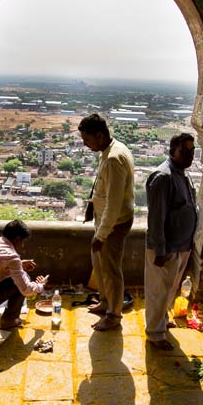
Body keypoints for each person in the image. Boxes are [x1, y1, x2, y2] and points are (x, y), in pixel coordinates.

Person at [79, 113, 135, 331]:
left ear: (100, 135)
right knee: (100, 266)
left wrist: (101, 236)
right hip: (106, 221)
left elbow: (113, 203)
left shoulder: (113, 159)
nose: (85, 145)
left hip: (113, 224)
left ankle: (114, 315)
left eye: (88, 140)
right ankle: (105, 302)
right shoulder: (111, 150)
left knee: (111, 270)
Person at [144, 133, 198, 350]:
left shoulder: (182, 174)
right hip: (165, 248)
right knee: (158, 291)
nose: (189, 155)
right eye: (185, 151)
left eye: (192, 151)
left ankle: (162, 322)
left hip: (180, 244)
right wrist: (160, 250)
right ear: (172, 151)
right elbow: (156, 218)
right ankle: (155, 334)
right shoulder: (163, 177)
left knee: (170, 288)